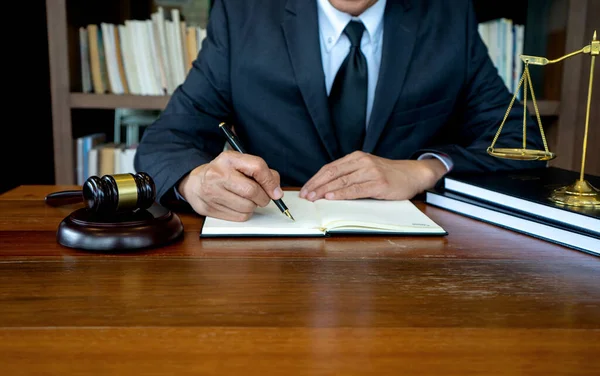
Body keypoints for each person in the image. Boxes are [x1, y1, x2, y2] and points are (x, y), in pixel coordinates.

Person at [134, 0, 545, 221]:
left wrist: (423, 170)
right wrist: (196, 181)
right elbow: (165, 142)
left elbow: (519, 139)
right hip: (271, 247)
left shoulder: (447, 12)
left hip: (411, 261)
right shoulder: (243, 11)